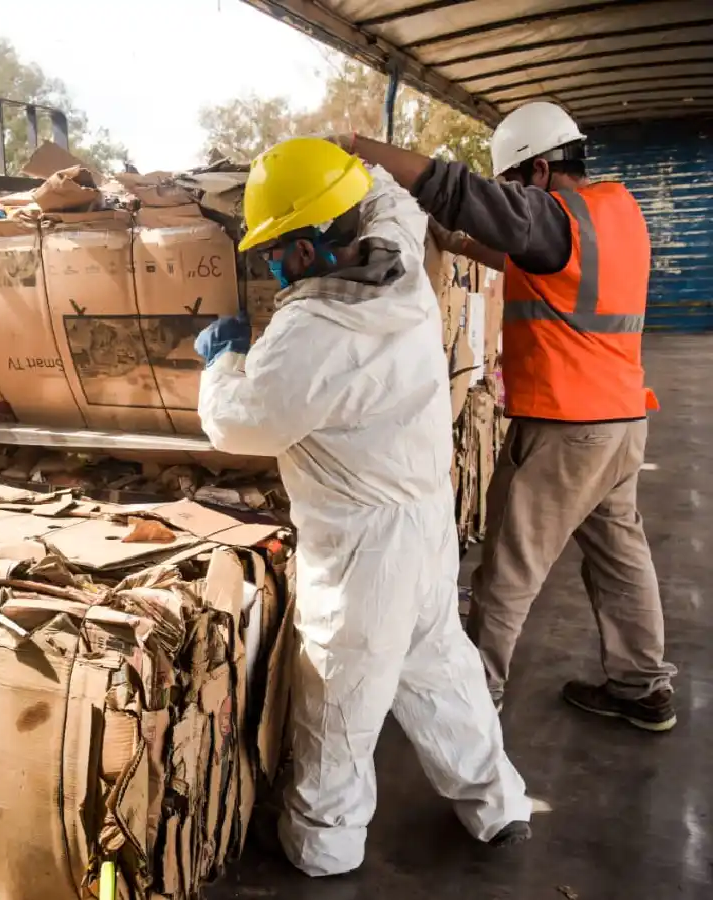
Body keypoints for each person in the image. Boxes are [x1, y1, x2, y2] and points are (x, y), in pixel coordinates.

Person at [196, 137, 532, 878]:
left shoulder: (310, 335)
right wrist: (344, 157)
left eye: (279, 251)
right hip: (423, 523)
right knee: (441, 665)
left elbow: (240, 424)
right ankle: (499, 802)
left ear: (316, 243)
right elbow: (388, 195)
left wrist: (221, 359)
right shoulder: (399, 261)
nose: (274, 268)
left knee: (338, 700)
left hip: (360, 555)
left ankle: (324, 846)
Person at [337, 102, 676, 732]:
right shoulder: (617, 214)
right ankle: (642, 686)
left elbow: (456, 189)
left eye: (515, 184)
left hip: (565, 431)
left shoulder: (556, 216)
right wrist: (460, 243)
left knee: (507, 573)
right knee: (621, 559)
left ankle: (472, 702)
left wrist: (359, 145)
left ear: (541, 172)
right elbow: (534, 261)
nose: (514, 199)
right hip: (622, 423)